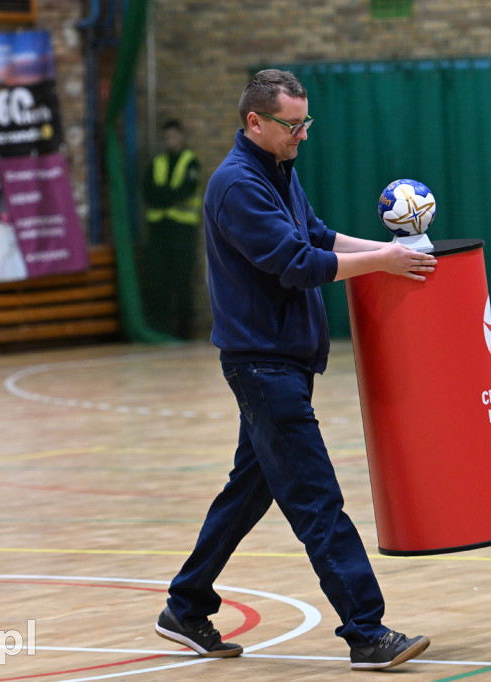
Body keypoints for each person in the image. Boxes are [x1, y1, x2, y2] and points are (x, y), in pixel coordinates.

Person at [155, 69, 437, 671]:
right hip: (262, 366)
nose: (302, 134)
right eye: (292, 124)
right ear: (255, 122)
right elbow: (296, 263)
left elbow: (317, 235)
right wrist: (383, 260)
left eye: (305, 122)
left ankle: (185, 604)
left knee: (248, 492)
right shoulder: (236, 185)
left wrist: (393, 255)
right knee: (316, 499)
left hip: (283, 361)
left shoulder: (278, 170)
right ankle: (366, 630)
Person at [142, 118, 202, 339]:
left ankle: (184, 329)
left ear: (182, 137)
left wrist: (164, 197)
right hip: (158, 229)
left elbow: (185, 191)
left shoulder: (190, 162)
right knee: (157, 278)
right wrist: (168, 197)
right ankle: (160, 327)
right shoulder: (156, 162)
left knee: (181, 279)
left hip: (182, 231)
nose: (170, 140)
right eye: (167, 137)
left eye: (174, 136)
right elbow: (148, 192)